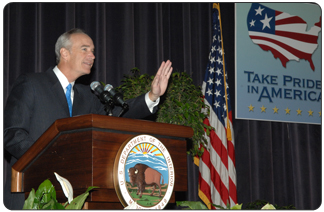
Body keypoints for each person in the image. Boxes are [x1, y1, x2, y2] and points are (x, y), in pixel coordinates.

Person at [3, 28, 173, 209]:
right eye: (85, 49)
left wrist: (152, 96)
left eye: (93, 51)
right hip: (31, 192)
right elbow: (13, 134)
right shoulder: (32, 84)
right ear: (64, 53)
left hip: (74, 196)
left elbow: (117, 114)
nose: (92, 56)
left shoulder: (87, 95)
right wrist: (47, 159)